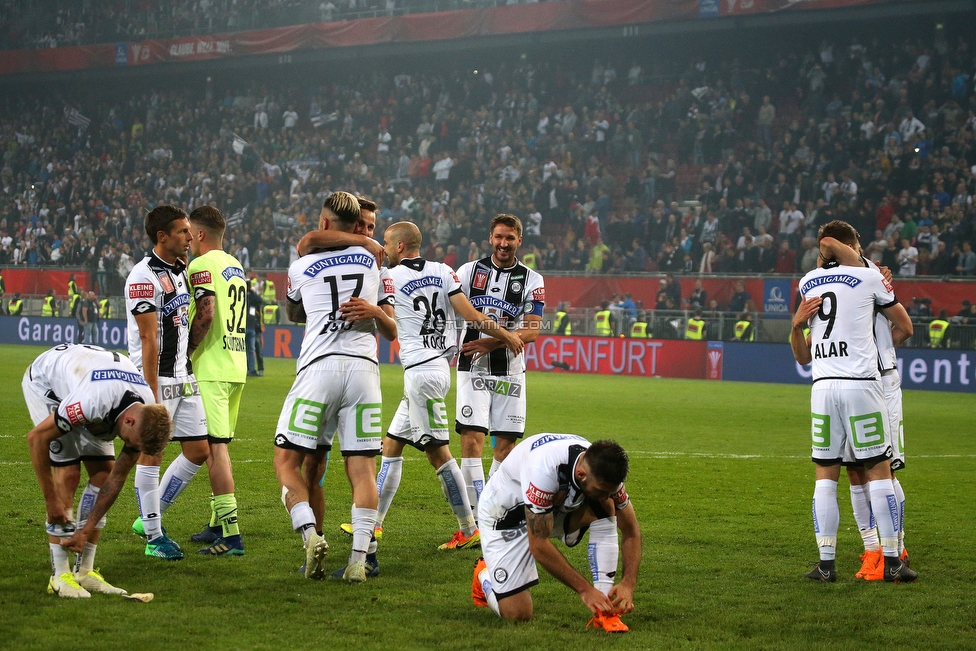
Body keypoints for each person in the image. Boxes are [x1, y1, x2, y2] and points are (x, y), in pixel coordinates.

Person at [369, 221, 523, 552]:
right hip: (438, 367)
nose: (382, 248)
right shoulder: (444, 271)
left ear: (399, 247)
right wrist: (506, 334)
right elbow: (472, 314)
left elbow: (388, 325)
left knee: (438, 454)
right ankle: (372, 523)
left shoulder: (388, 277)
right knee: (392, 444)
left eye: (384, 242)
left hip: (420, 373)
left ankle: (468, 527)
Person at [790, 219, 916, 583]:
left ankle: (829, 564)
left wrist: (797, 325)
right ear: (854, 245)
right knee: (878, 469)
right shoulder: (869, 276)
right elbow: (905, 326)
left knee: (829, 476)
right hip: (862, 382)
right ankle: (889, 557)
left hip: (824, 387)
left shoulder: (808, 283)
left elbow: (802, 358)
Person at [273, 191, 388, 583]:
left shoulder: (302, 263)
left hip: (318, 368)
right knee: (363, 472)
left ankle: (309, 536)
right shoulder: (375, 263)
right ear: (357, 227)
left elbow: (294, 310)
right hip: (364, 373)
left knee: (286, 462)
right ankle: (357, 561)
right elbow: (391, 328)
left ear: (324, 224)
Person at [23, 344, 171, 598]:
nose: (131, 449)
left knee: (103, 475)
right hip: (47, 385)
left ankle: (84, 572)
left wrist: (85, 530)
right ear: (129, 421)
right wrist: (51, 500)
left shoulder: (145, 411)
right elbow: (36, 438)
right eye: (133, 444)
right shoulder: (92, 401)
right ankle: (59, 576)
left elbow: (116, 479)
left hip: (96, 391)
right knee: (68, 474)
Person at [472, 434, 641, 632]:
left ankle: (604, 612)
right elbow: (539, 546)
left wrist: (628, 583)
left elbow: (631, 530)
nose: (607, 494)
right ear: (581, 474)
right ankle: (484, 575)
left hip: (550, 511)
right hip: (504, 519)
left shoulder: (601, 471)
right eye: (602, 489)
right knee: (518, 614)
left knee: (606, 505)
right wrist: (585, 590)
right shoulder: (543, 469)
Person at [125, 205, 209, 561]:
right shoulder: (143, 276)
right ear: (162, 237)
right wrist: (149, 396)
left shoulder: (180, 272)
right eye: (183, 232)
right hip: (157, 377)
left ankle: (150, 514)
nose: (190, 238)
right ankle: (154, 537)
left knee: (199, 450)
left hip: (183, 374)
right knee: (152, 453)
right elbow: (148, 339)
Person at [455, 214, 544, 533]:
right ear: (489, 239)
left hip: (511, 372)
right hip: (470, 367)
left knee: (504, 449)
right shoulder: (468, 272)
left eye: (510, 238)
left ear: (520, 240)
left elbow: (532, 330)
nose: (503, 243)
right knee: (472, 442)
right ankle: (477, 522)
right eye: (498, 237)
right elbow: (456, 309)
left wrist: (493, 342)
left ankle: (490, 512)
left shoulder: (532, 280)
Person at [182, 205, 249, 555]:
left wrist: (186, 353)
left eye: (189, 233)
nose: (187, 239)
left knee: (214, 449)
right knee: (216, 446)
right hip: (236, 364)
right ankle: (215, 523)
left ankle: (233, 534)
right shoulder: (234, 265)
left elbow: (205, 313)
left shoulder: (200, 266)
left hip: (212, 367)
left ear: (200, 234)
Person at [245, 280, 264, 377]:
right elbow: (260, 300)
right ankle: (250, 369)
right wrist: (252, 292)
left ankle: (249, 370)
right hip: (250, 327)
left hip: (247, 327)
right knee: (251, 350)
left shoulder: (243, 296)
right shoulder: (251, 297)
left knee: (247, 350)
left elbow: (260, 301)